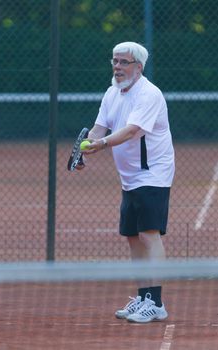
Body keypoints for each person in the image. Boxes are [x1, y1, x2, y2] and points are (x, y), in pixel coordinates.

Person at [79, 41, 175, 323]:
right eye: (115, 61)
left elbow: (132, 131)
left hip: (153, 173)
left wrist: (101, 144)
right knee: (133, 237)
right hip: (129, 177)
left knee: (148, 234)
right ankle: (144, 296)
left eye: (124, 62)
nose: (117, 67)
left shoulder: (149, 94)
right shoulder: (112, 92)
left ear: (138, 67)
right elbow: (100, 127)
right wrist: (86, 148)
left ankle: (156, 303)